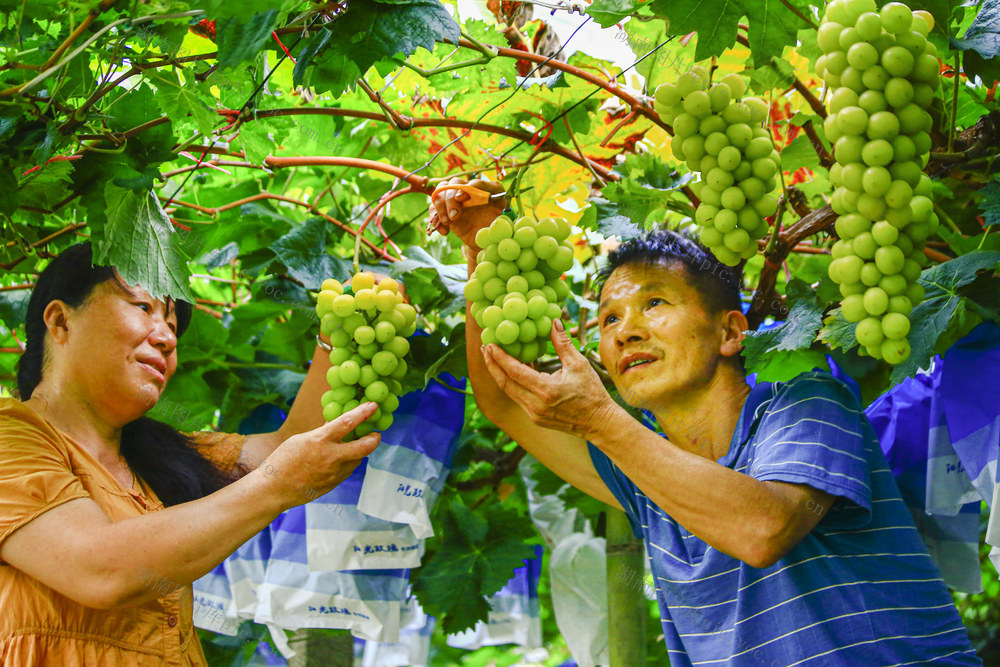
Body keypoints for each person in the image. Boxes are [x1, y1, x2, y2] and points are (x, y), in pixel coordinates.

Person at [429, 180, 981, 665]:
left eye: (655, 303)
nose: (626, 331)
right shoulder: (648, 480)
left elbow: (762, 528)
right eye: (609, 318)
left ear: (730, 332)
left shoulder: (808, 403)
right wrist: (481, 244)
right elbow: (503, 403)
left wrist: (600, 420)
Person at [0, 242, 381, 665]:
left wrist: (337, 335)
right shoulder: (8, 438)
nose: (166, 338)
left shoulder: (158, 457)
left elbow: (293, 445)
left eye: (171, 324)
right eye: (143, 307)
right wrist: (277, 486)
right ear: (60, 320)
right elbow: (101, 570)